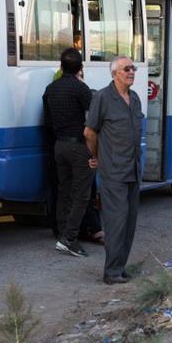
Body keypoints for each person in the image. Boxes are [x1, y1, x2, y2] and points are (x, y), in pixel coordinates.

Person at [84, 56, 144, 284]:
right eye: (126, 69)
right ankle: (111, 272)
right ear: (114, 73)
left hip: (134, 169)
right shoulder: (102, 97)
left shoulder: (135, 98)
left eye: (133, 68)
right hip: (113, 172)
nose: (131, 72)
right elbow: (90, 132)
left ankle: (120, 267)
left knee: (129, 222)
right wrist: (97, 156)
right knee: (116, 221)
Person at [43, 48, 95, 258]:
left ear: (61, 66)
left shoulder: (50, 89)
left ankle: (62, 233)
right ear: (80, 68)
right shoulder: (80, 89)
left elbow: (47, 121)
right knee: (81, 195)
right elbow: (94, 116)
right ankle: (70, 239)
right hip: (79, 147)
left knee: (64, 192)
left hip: (59, 146)